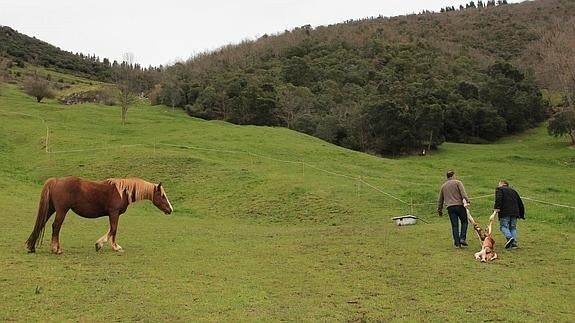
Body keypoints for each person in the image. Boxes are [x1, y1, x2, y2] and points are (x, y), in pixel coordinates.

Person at [437, 170, 471, 248]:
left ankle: (457, 244)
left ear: (447, 176)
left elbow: (440, 199)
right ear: (453, 175)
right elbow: (463, 193)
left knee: (454, 225)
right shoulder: (458, 182)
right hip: (459, 205)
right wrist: (467, 201)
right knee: (464, 222)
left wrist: (440, 210)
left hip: (450, 208)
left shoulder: (443, 186)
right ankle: (462, 238)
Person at [494, 180, 525, 249]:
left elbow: (499, 198)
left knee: (503, 227)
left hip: (505, 212)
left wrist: (497, 208)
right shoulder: (514, 191)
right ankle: (514, 244)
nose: (498, 185)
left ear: (502, 184)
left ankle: (510, 238)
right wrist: (521, 213)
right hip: (515, 212)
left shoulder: (499, 189)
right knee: (513, 228)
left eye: (499, 183)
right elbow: (520, 202)